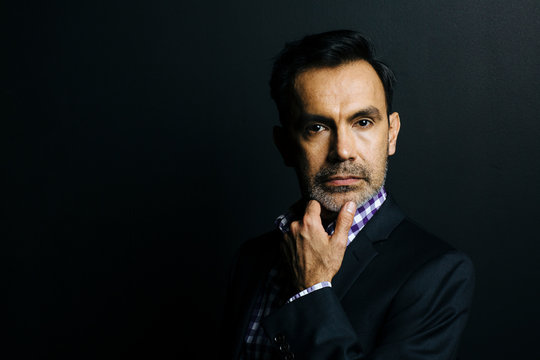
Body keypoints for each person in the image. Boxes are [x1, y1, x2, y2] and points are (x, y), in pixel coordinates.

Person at [222, 30, 475, 360]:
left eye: (363, 122)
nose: (342, 151)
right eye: (317, 127)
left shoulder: (437, 273)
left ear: (391, 134)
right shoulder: (252, 259)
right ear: (285, 145)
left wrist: (312, 289)